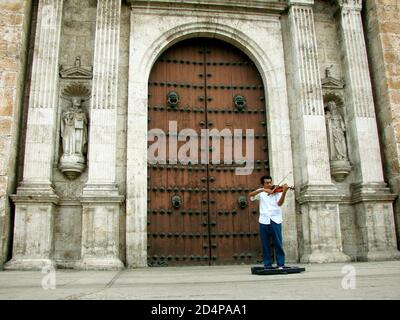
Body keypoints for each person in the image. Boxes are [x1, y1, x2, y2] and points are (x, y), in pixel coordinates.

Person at [249, 175, 289, 269]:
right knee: (265, 243)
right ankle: (267, 264)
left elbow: (280, 203)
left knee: (278, 243)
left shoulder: (277, 191)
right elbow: (251, 195)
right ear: (263, 184)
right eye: (267, 183)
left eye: (270, 182)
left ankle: (280, 264)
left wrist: (284, 192)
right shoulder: (261, 192)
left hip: (275, 219)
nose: (270, 184)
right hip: (263, 220)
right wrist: (262, 190)